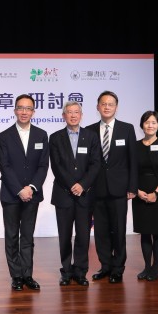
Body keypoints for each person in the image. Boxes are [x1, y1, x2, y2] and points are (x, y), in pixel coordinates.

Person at [0, 95, 50, 291]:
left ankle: (28, 275)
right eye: (20, 108)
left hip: (32, 195)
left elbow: (43, 165)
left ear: (33, 112)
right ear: (15, 111)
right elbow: (4, 166)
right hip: (11, 194)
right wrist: (19, 189)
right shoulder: (4, 136)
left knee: (27, 237)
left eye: (28, 108)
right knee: (12, 236)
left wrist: (32, 187)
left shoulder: (41, 135)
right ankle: (16, 276)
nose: (24, 112)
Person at [86, 91, 138, 284]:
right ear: (97, 107)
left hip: (120, 189)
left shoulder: (127, 129)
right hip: (97, 189)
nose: (107, 107)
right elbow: (88, 162)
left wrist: (132, 186)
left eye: (110, 104)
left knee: (118, 229)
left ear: (116, 107)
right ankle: (105, 265)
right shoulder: (89, 130)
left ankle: (118, 268)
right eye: (103, 103)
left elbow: (133, 160)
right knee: (100, 231)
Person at [49, 100, 102, 287]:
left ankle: (80, 271)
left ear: (81, 115)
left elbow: (96, 163)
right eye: (69, 112)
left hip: (85, 195)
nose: (73, 115)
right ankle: (66, 271)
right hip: (63, 194)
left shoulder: (91, 136)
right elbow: (56, 166)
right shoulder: (55, 137)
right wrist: (72, 184)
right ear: (63, 116)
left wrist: (83, 185)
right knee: (64, 236)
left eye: (76, 112)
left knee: (83, 236)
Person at [131, 110, 158, 281]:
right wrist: (137, 190)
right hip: (140, 193)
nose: (150, 125)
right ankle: (147, 267)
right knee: (145, 232)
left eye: (153, 122)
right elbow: (131, 170)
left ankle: (156, 268)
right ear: (142, 125)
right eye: (147, 122)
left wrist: (156, 192)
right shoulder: (135, 146)